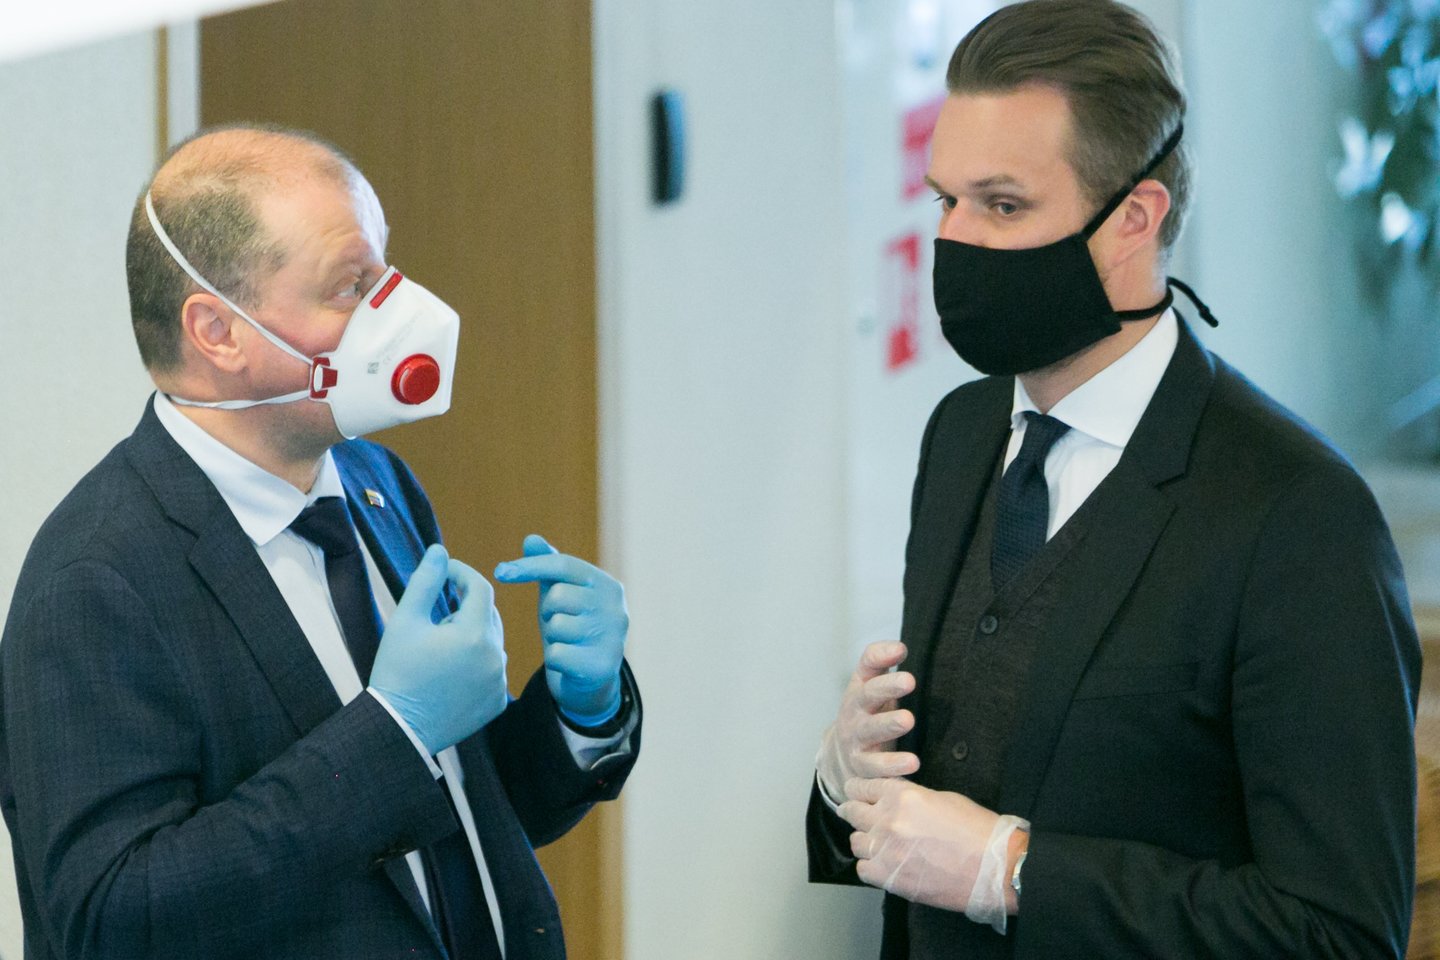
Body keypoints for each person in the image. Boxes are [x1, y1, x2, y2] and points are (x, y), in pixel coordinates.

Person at [807, 2, 1421, 957]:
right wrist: (845, 787)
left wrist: (1016, 871)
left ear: (1134, 218)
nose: (955, 242)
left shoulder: (1299, 517)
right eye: (944, 202)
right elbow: (928, 833)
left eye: (1003, 206)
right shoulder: (961, 434)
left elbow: (1339, 932)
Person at [0, 125, 641, 960]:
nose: (398, 311)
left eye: (384, 271)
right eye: (351, 286)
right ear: (218, 332)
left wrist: (580, 714)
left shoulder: (374, 480)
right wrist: (395, 731)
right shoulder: (95, 579)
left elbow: (449, 818)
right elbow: (112, 919)